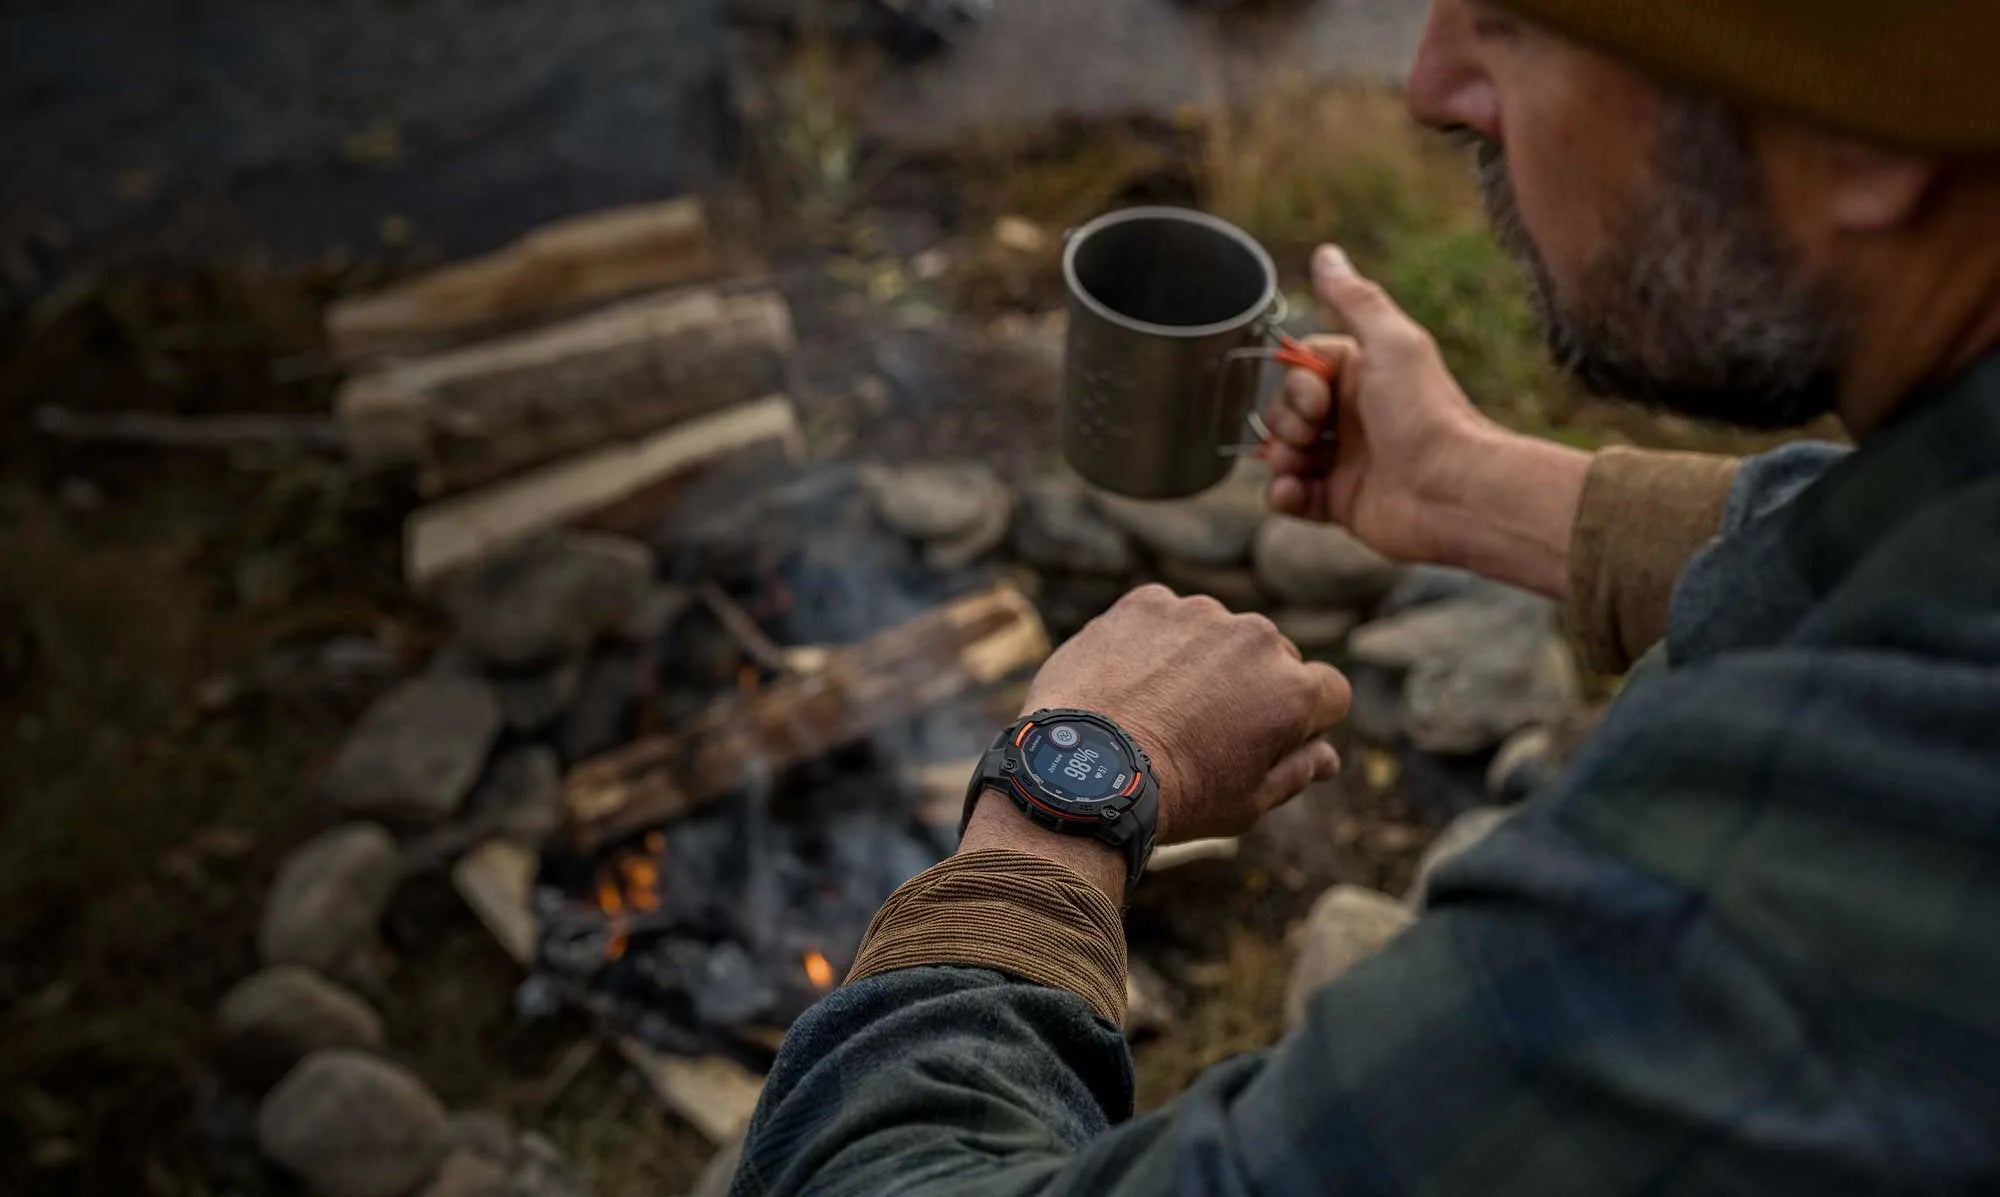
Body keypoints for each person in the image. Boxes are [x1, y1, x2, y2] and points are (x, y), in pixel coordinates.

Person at [735, 0, 2000, 1190]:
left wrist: (1060, 802)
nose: (1431, 85)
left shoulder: (1750, 897)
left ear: (1848, 130)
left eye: (1508, 26)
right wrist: (1478, 494)